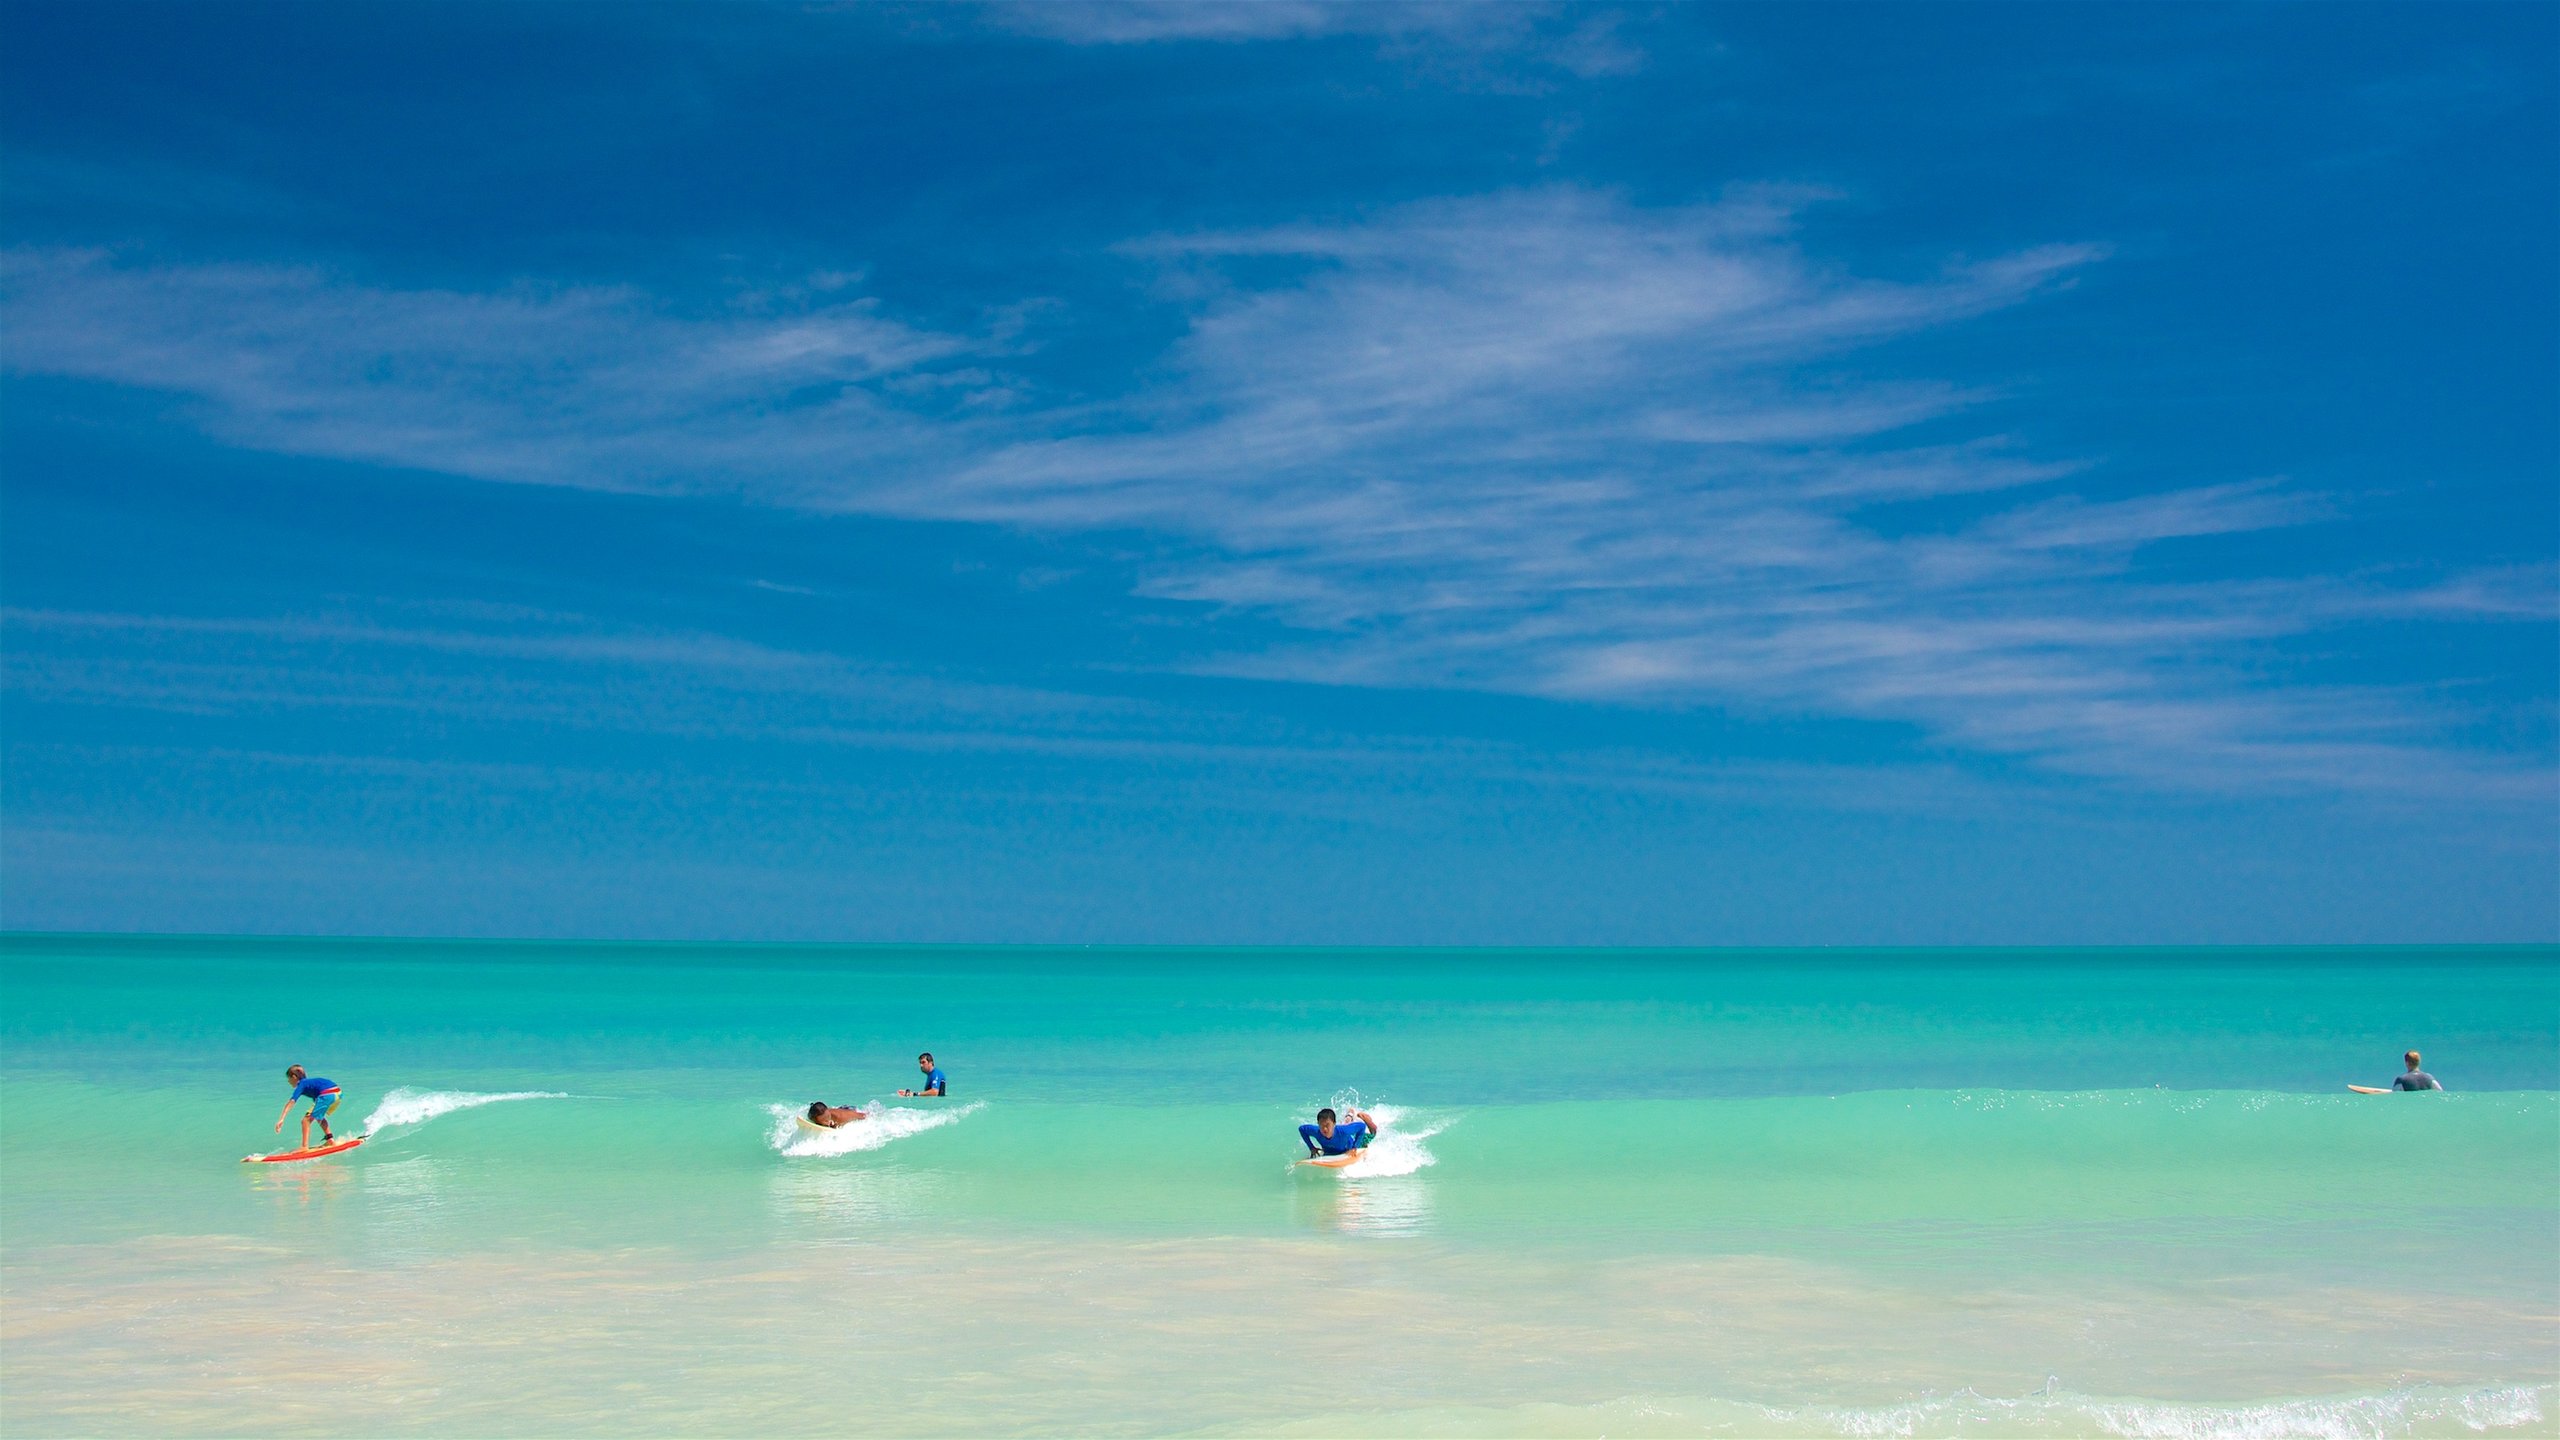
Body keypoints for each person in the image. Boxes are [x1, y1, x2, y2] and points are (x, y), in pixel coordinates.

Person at [275, 1066, 343, 1149]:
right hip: (338, 1093)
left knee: (305, 1121)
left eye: (289, 1078)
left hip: (327, 1094)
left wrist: (282, 1119)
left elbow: (292, 1101)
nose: (288, 1081)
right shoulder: (310, 1083)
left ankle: (304, 1147)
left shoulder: (302, 1084)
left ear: (294, 1077)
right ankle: (330, 1140)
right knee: (318, 1116)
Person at [1299, 1106, 1380, 1158]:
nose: (1324, 1129)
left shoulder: (1344, 1131)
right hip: (1337, 1142)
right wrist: (1311, 1148)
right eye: (1321, 1125)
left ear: (1334, 1124)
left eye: (1327, 1125)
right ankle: (1349, 1116)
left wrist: (1355, 1147)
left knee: (1373, 1134)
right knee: (1344, 1126)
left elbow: (1361, 1127)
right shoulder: (1316, 1131)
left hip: (1350, 1141)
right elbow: (1302, 1129)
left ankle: (1362, 1116)